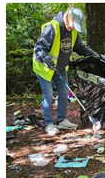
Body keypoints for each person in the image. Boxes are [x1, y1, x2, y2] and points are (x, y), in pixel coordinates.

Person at [33, 7, 100, 136]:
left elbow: (79, 47)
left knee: (64, 91)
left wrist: (94, 55)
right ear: (69, 17)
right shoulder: (53, 28)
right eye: (74, 25)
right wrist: (47, 60)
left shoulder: (74, 31)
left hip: (60, 67)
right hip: (44, 67)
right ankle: (48, 124)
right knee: (48, 93)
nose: (74, 28)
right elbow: (39, 48)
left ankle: (61, 120)